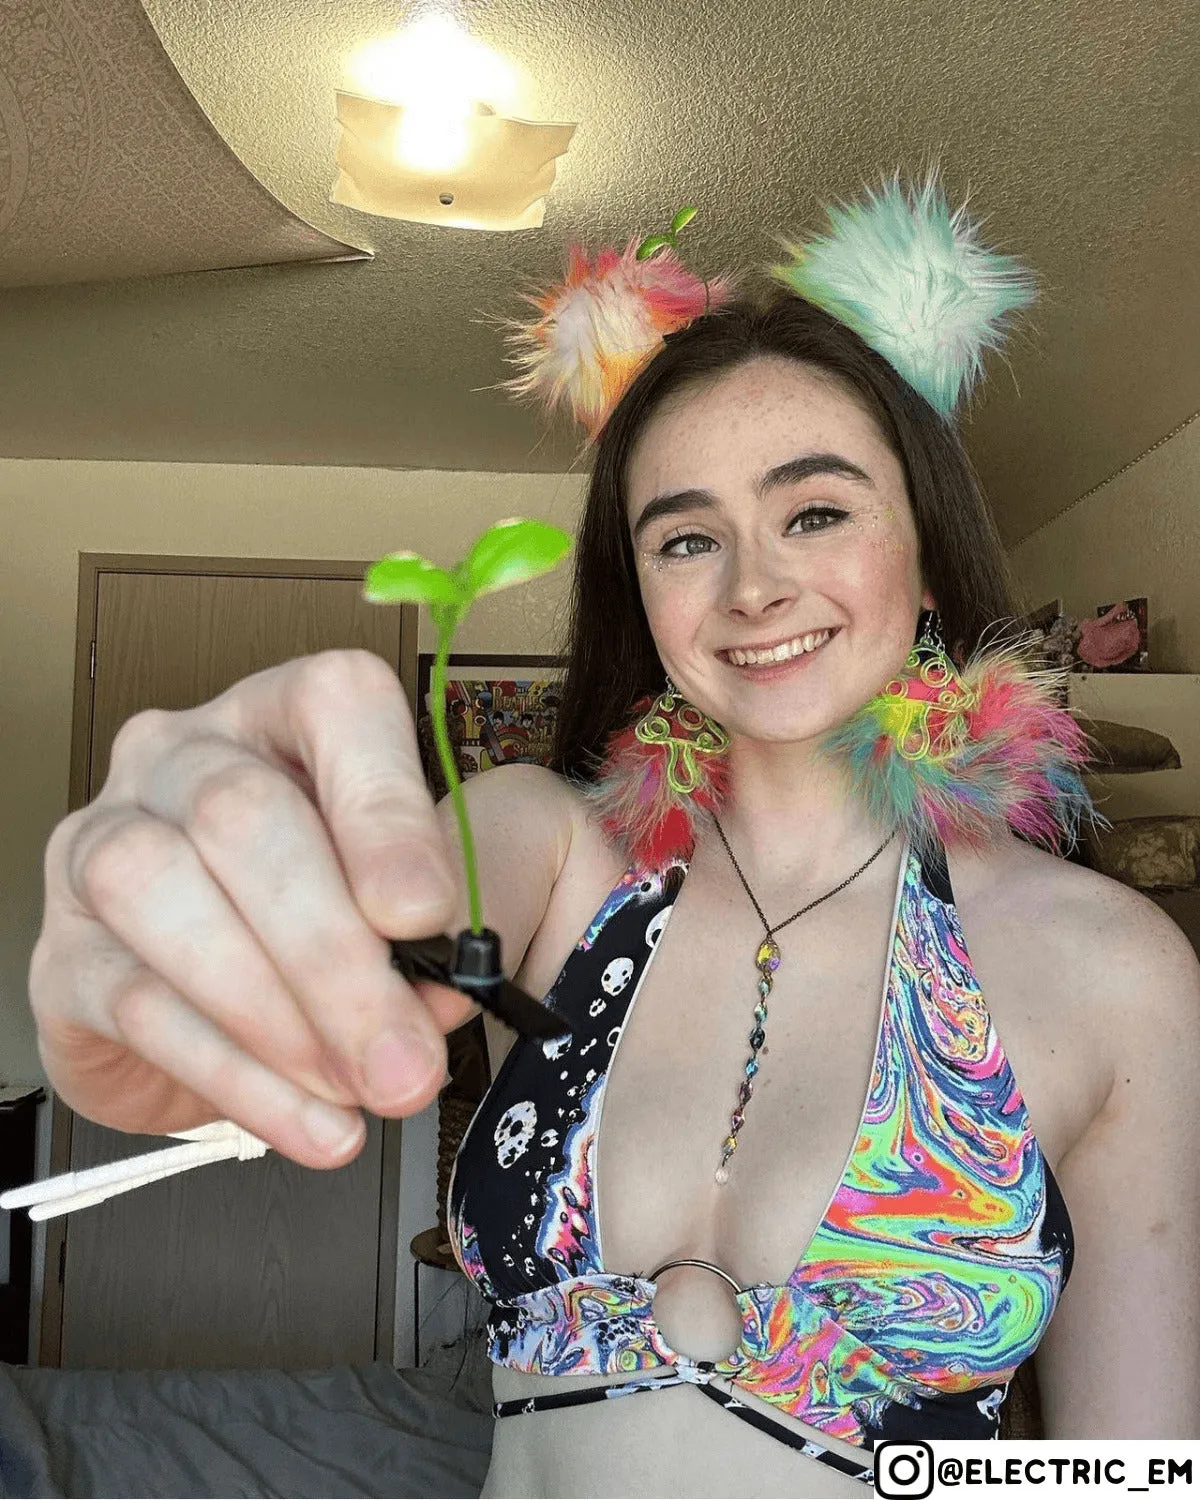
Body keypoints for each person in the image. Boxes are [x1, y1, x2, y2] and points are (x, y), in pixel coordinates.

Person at [27, 186, 1200, 1499]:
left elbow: (1131, 1473)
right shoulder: (549, 853)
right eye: (687, 536)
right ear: (641, 596)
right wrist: (163, 937)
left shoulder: (1115, 966)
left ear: (924, 558)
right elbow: (354, 926)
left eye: (815, 511)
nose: (752, 585)